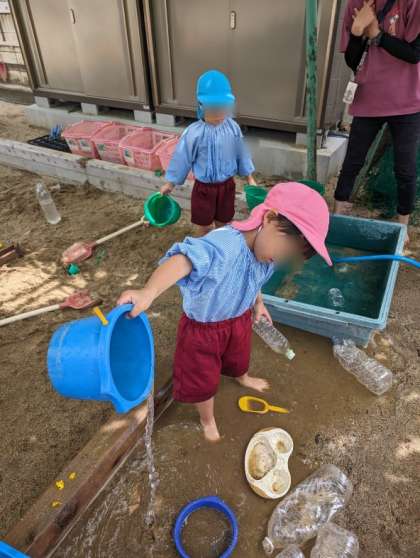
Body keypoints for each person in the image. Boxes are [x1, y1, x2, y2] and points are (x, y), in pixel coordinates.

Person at [117, 182, 332, 442]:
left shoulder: (266, 253)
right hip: (203, 329)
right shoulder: (223, 246)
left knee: (238, 356)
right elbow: (183, 260)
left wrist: (258, 303)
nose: (280, 260)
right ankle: (207, 419)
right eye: (285, 251)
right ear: (269, 218)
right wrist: (148, 292)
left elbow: (255, 279)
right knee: (203, 378)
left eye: (289, 257)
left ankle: (242, 377)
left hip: (238, 319)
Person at [334, 0, 420, 239]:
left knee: (405, 167)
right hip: (368, 96)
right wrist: (356, 32)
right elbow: (352, 61)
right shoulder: (355, 4)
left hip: (407, 101)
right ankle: (338, 213)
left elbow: (414, 54)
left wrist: (377, 35)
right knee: (353, 159)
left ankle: (403, 226)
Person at [160, 69, 256, 236]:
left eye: (223, 108)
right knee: (204, 224)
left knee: (223, 222)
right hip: (203, 189)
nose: (219, 113)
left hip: (227, 186)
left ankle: (219, 242)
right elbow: (182, 158)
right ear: (201, 106)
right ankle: (204, 243)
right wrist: (170, 183)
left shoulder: (232, 128)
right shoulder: (193, 133)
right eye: (214, 108)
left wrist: (249, 178)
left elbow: (241, 152)